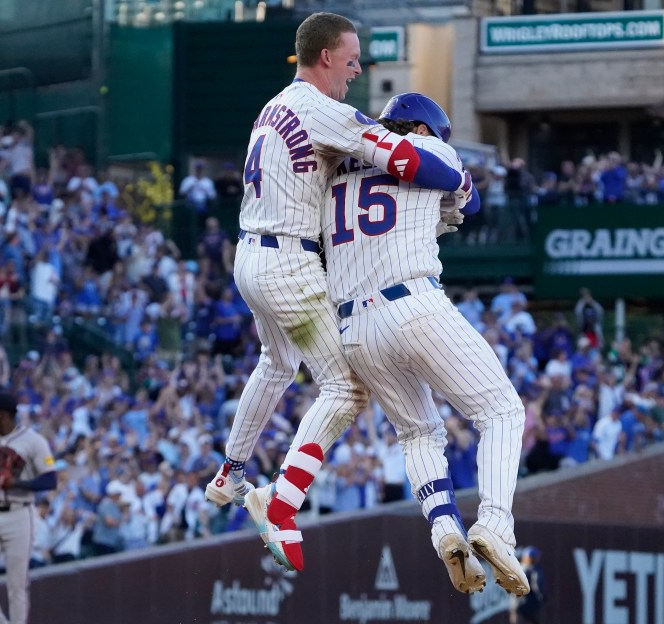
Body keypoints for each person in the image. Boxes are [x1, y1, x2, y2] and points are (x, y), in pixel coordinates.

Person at [204, 12, 475, 574]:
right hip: (289, 263)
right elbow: (403, 157)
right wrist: (460, 178)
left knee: (275, 364)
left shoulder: (273, 104)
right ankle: (280, 507)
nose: (356, 70)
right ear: (326, 56)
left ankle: (231, 472)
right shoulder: (324, 109)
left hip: (250, 256)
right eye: (351, 59)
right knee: (347, 386)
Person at [318, 93, 528, 597]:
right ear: (423, 129)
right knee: (502, 411)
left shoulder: (331, 173)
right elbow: (469, 199)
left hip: (353, 325)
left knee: (418, 434)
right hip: (412, 303)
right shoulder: (429, 151)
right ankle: (495, 524)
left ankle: (444, 530)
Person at [0, 391, 58, 624]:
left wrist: (19, 483)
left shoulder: (33, 441)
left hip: (19, 514)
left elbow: (50, 479)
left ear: (3, 414)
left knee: (17, 585)